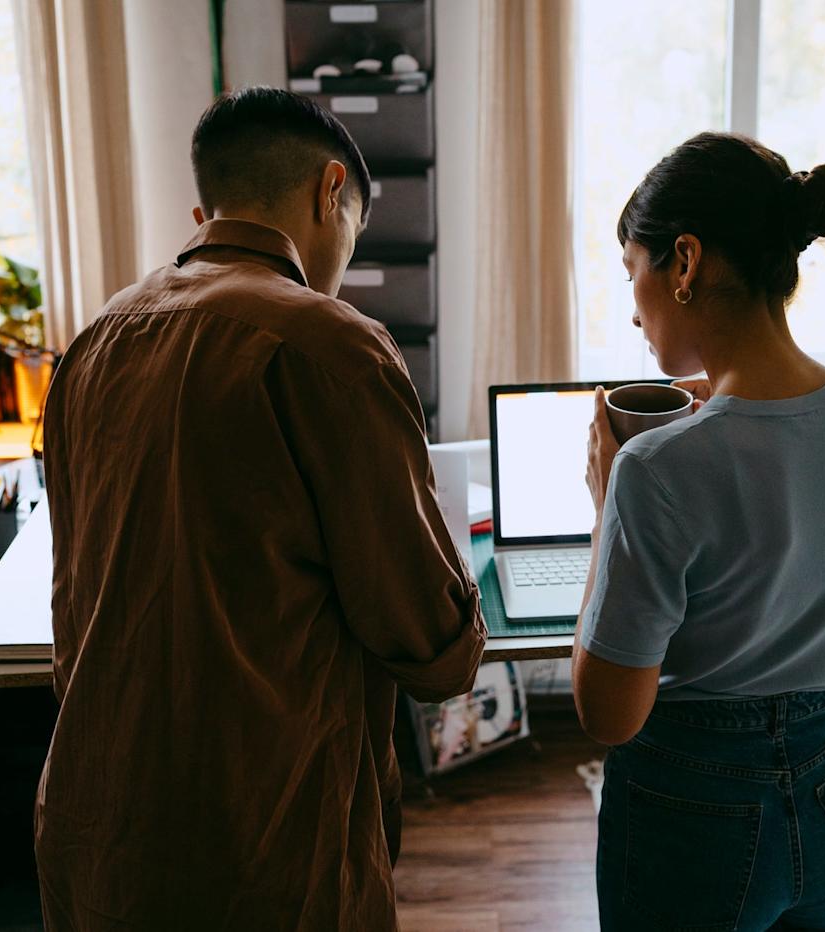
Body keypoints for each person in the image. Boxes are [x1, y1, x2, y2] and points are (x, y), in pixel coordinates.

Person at [36, 87, 486, 931]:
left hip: (97, 825)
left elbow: (74, 591)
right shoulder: (331, 345)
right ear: (329, 191)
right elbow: (429, 647)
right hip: (265, 840)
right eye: (353, 231)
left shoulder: (93, 342)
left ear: (205, 212)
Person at [574, 132, 825, 931]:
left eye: (633, 270)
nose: (634, 308)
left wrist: (606, 508)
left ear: (685, 262)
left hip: (693, 815)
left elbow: (609, 715)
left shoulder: (653, 467)